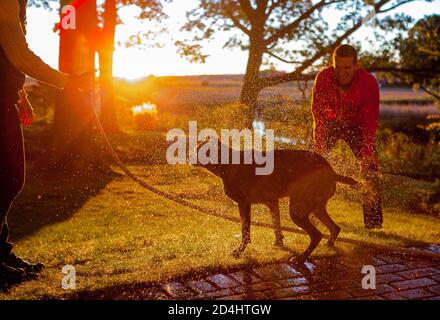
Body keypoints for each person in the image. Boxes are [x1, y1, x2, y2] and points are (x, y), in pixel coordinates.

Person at [0, 0, 92, 286]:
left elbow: (6, 53)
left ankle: (1, 253)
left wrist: (20, 94)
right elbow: (19, 55)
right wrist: (67, 82)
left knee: (5, 179)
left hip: (6, 97)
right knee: (10, 179)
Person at [311, 44, 383, 229]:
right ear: (332, 65)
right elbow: (318, 115)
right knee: (310, 164)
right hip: (330, 123)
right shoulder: (324, 77)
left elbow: (370, 121)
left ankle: (373, 224)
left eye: (347, 68)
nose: (342, 72)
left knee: (371, 167)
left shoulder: (368, 83)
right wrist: (319, 149)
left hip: (357, 126)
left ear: (356, 66)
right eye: (338, 67)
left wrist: (367, 153)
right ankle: (309, 215)